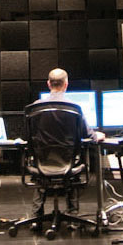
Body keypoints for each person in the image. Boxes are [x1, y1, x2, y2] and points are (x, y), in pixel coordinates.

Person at [22, 69, 102, 217]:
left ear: (48, 84)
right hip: (69, 163)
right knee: (73, 164)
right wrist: (97, 135)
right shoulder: (74, 108)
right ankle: (72, 216)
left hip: (41, 164)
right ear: (66, 84)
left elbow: (26, 137)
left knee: (41, 170)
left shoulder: (35, 108)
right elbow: (88, 135)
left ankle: (36, 217)